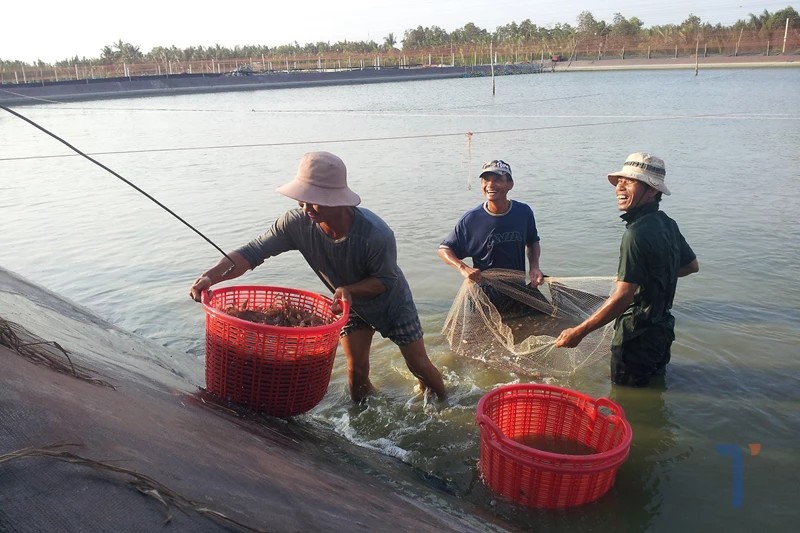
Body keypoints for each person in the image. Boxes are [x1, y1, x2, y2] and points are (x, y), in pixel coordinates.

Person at [189, 152, 446, 402]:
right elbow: (252, 252)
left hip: (391, 304)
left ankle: (446, 403)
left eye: (315, 200)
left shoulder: (376, 234)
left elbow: (386, 281)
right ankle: (365, 415)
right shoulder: (296, 223)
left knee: (419, 366)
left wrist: (350, 290)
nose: (306, 207)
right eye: (302, 199)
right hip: (348, 305)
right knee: (356, 372)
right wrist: (211, 277)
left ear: (338, 200)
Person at [555, 153, 699, 387]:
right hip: (662, 334)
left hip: (635, 339)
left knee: (624, 401)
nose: (619, 188)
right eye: (619, 182)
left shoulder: (635, 233)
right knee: (653, 392)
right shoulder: (667, 223)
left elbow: (623, 297)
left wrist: (579, 332)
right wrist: (647, 277)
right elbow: (691, 266)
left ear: (652, 191)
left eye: (629, 181)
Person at [438, 159, 544, 314]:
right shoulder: (471, 219)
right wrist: (463, 268)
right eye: (486, 180)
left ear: (510, 184)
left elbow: (532, 241)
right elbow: (444, 249)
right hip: (485, 297)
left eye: (497, 180)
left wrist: (534, 267)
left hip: (518, 292)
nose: (490, 185)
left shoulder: (523, 212)